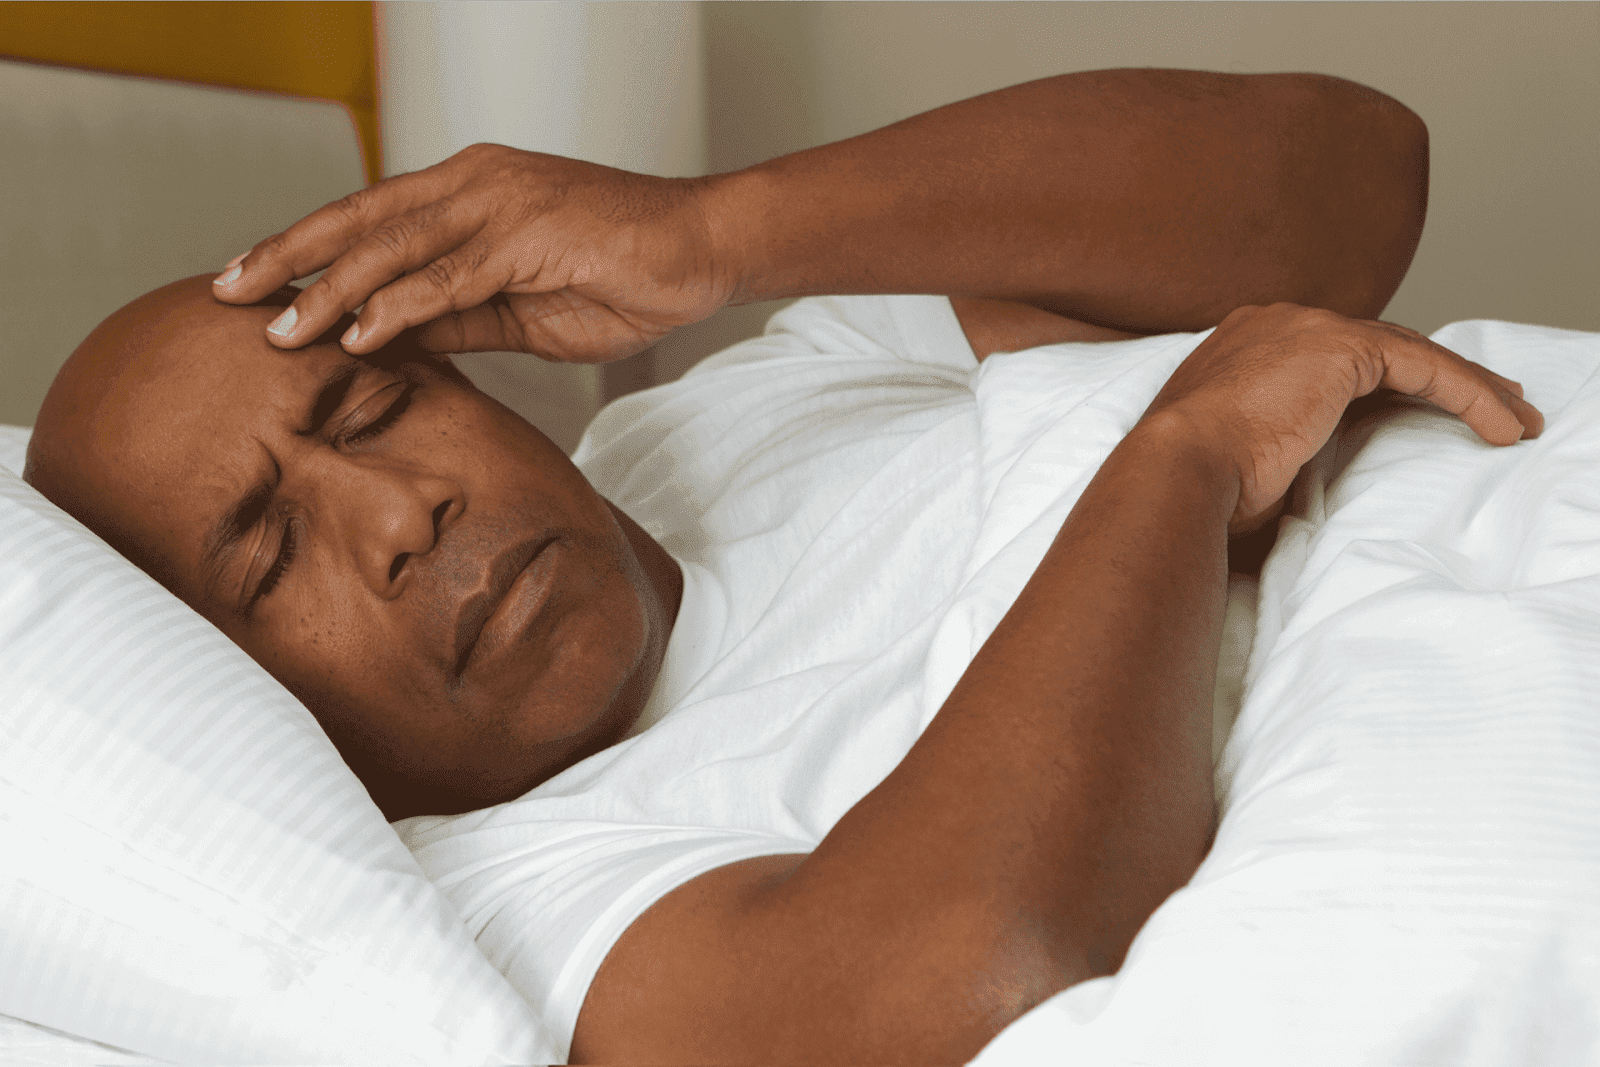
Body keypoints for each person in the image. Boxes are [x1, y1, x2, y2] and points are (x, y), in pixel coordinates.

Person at [25, 69, 1542, 1065]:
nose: (400, 513)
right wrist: (1185, 454)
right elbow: (966, 977)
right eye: (268, 554)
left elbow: (1359, 184)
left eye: (373, 406)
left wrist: (720, 233)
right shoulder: (491, 898)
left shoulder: (760, 395)